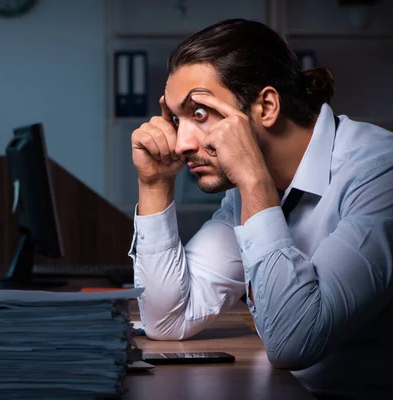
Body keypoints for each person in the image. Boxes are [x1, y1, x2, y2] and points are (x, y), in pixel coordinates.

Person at [129, 18, 393, 399]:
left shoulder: (379, 173)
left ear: (267, 106)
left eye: (199, 114)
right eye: (175, 118)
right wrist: (155, 185)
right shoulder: (243, 195)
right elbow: (168, 320)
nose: (181, 142)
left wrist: (254, 182)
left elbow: (293, 344)